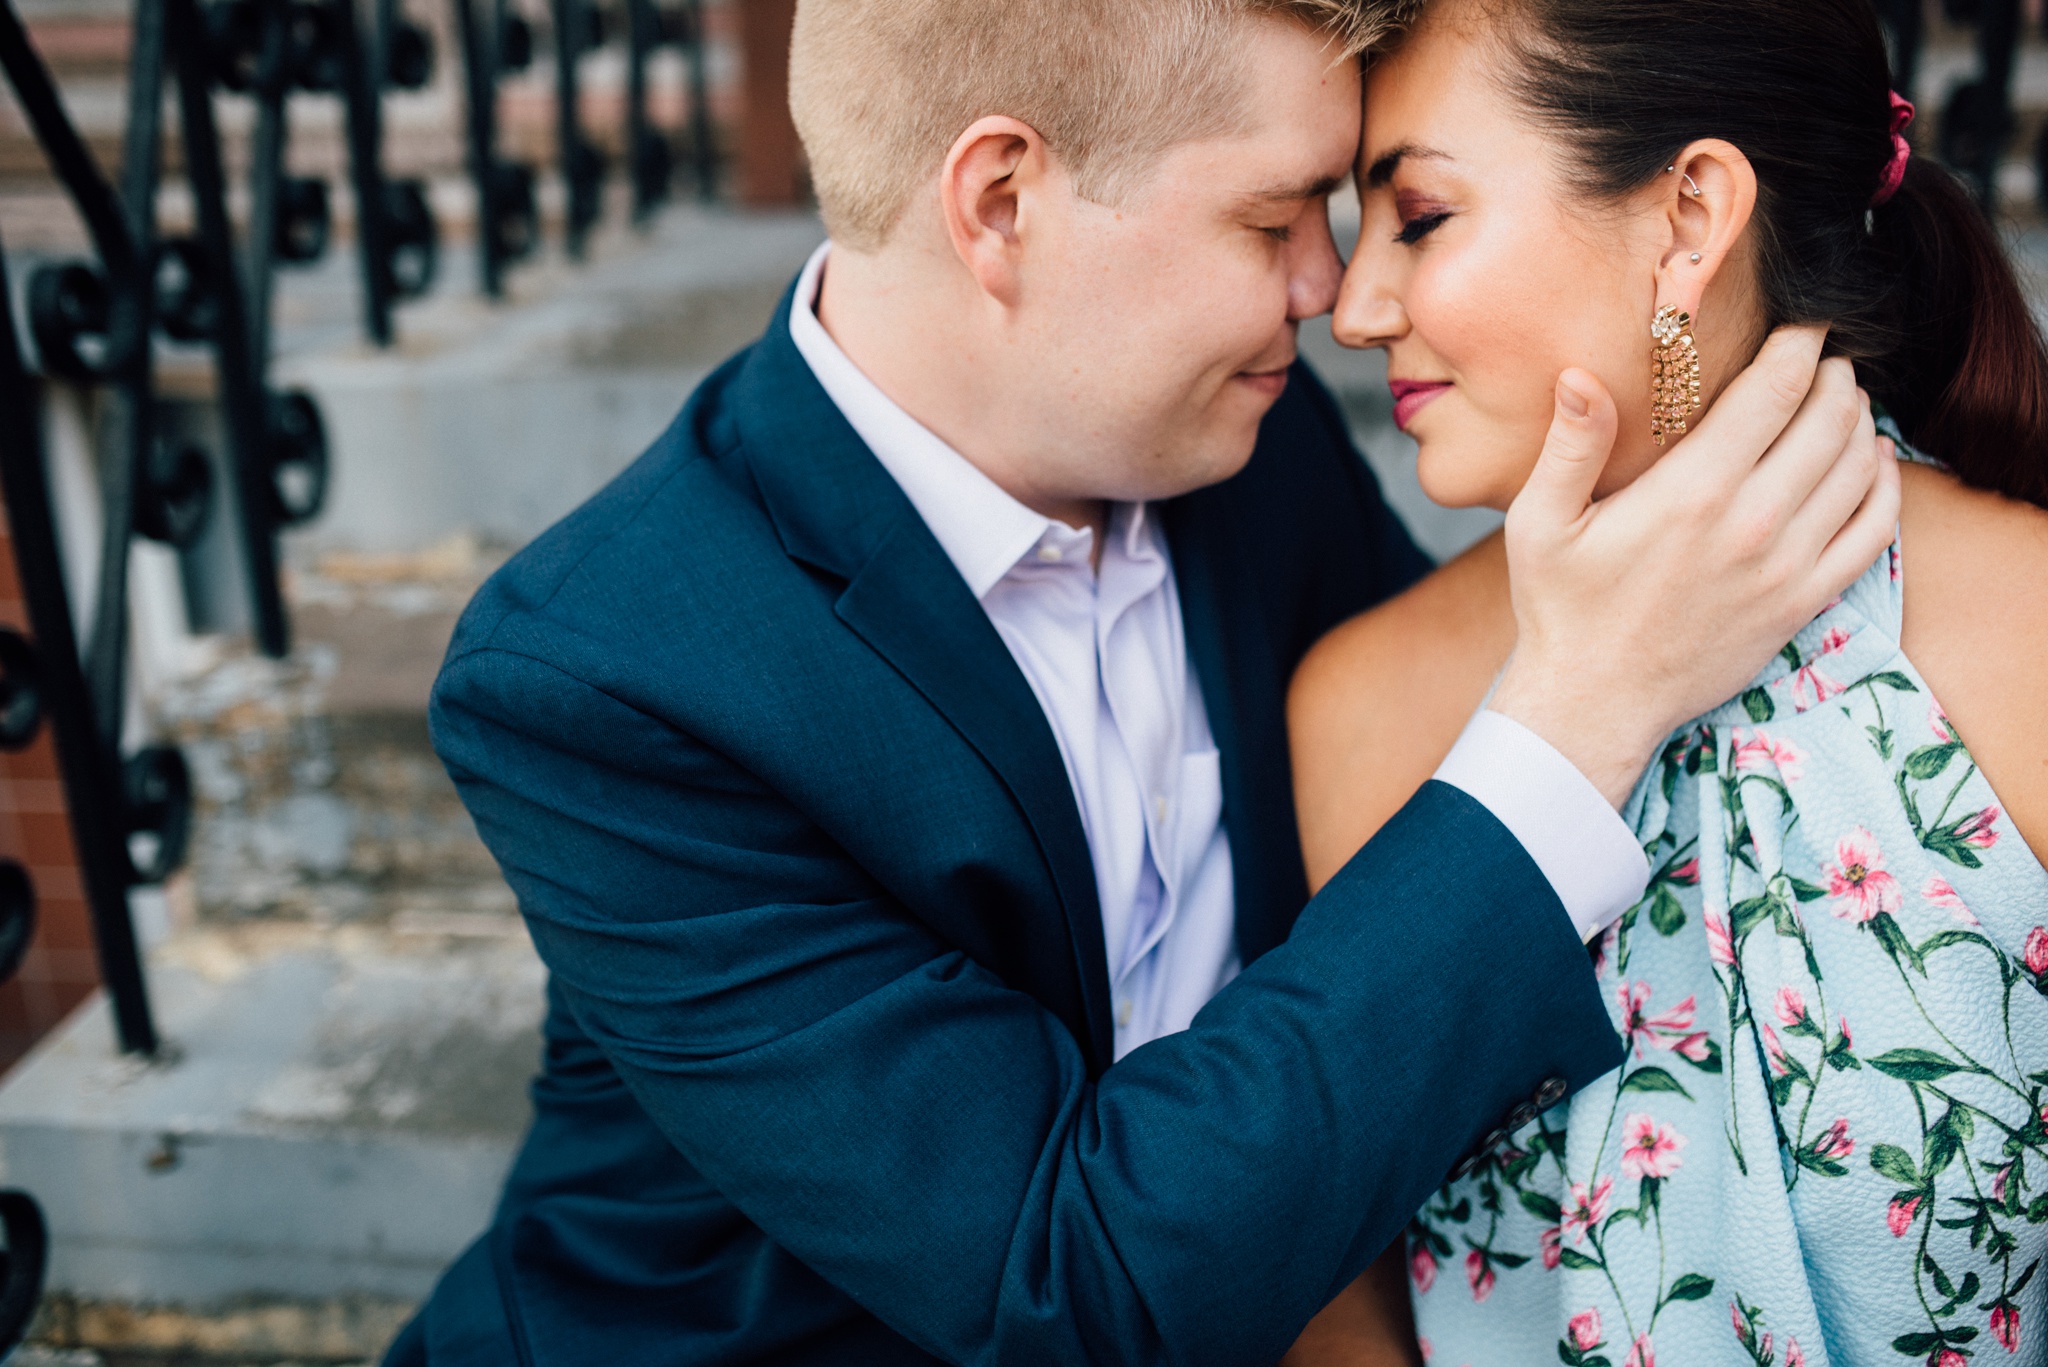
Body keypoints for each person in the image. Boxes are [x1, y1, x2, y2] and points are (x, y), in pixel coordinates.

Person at [384, 0, 1899, 1363]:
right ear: (1001, 204)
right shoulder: (610, 677)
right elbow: (1066, 1283)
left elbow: (1399, 888)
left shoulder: (1245, 439)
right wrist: (1581, 711)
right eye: (1277, 217)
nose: (1335, 291)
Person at [1288, 0, 2048, 1360]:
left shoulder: (2026, 636)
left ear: (1691, 217)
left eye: (1418, 216)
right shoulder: (1364, 704)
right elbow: (1330, 1294)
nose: (1352, 308)